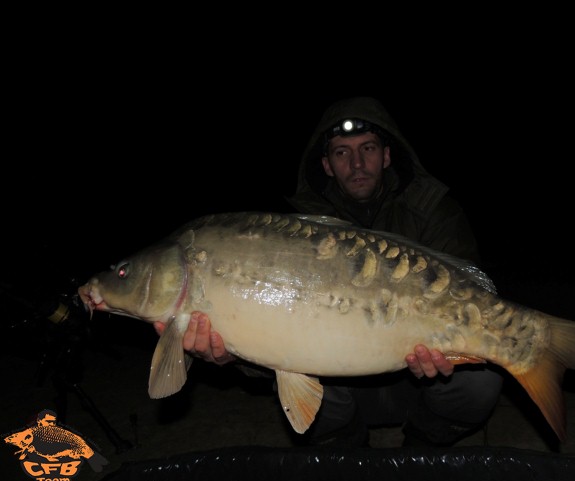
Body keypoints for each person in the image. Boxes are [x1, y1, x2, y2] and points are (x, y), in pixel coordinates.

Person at [154, 96, 503, 447]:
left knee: (482, 379)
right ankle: (347, 459)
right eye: (341, 153)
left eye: (367, 148)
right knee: (297, 371)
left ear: (386, 155)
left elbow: (473, 291)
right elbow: (272, 331)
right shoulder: (289, 233)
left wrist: (444, 351)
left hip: (419, 382)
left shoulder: (433, 212)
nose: (356, 163)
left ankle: (422, 446)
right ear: (326, 164)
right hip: (340, 392)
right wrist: (230, 354)